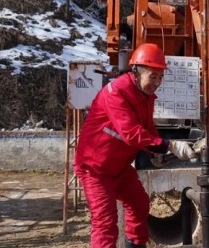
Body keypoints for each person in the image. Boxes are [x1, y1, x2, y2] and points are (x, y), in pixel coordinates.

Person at [74, 43, 197, 248]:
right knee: (105, 224)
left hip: (119, 167)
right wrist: (170, 146)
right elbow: (131, 133)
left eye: (160, 77)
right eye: (153, 76)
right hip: (96, 169)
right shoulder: (116, 93)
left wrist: (155, 153)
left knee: (140, 204)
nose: (157, 82)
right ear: (137, 72)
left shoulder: (145, 96)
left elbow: (148, 130)